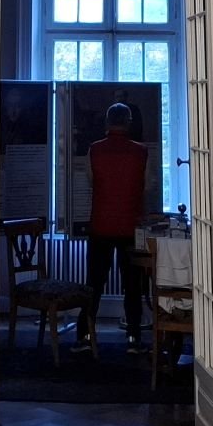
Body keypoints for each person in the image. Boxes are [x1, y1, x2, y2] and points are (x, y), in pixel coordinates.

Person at [83, 102, 149, 350]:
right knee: (132, 285)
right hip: (131, 226)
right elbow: (147, 185)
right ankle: (133, 336)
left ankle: (85, 335)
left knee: (94, 282)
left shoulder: (94, 150)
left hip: (100, 224)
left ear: (107, 122)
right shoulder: (141, 152)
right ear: (128, 122)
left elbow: (91, 180)